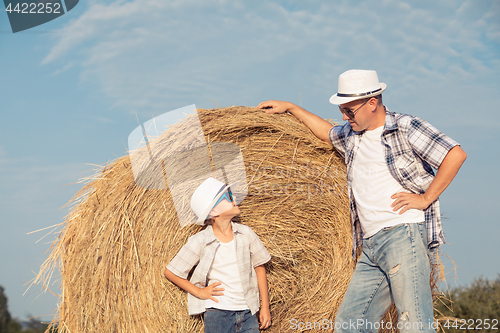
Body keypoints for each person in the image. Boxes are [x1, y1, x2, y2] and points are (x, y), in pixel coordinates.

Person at [258, 69, 467, 332]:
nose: (344, 117)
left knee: (413, 322)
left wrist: (425, 198)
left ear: (372, 102)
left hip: (402, 235)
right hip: (370, 245)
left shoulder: (404, 126)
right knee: (350, 323)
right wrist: (291, 108)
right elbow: (327, 132)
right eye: (342, 110)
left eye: (349, 111)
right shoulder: (352, 135)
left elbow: (455, 154)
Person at [164, 177, 272, 333]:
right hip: (217, 313)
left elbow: (259, 268)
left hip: (248, 311)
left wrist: (265, 307)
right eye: (228, 196)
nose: (234, 198)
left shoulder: (245, 233)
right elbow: (171, 272)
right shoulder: (200, 241)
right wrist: (199, 292)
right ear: (213, 211)